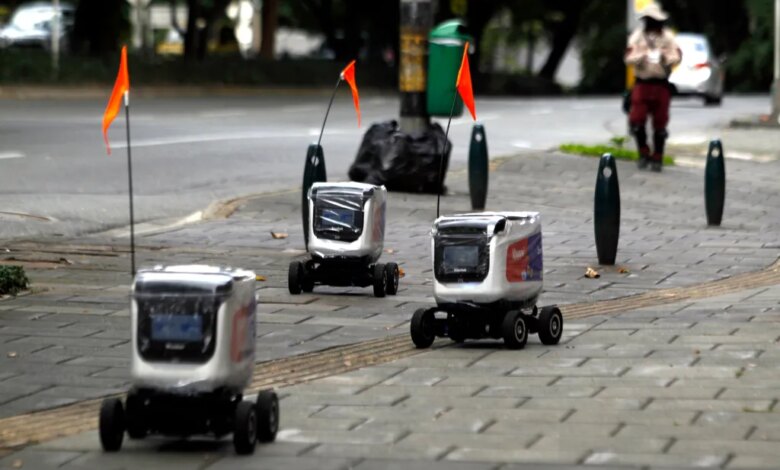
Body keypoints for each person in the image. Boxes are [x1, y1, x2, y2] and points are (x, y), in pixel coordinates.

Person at [625, 3, 681, 172]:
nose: (651, 23)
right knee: (637, 121)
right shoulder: (637, 37)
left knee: (660, 123)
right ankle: (643, 152)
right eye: (649, 20)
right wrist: (640, 57)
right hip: (642, 83)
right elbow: (628, 57)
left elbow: (677, 56)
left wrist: (666, 57)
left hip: (661, 84)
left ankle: (658, 156)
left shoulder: (668, 37)